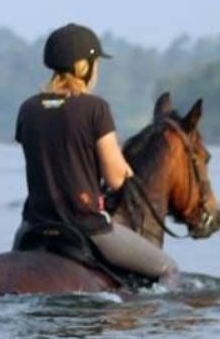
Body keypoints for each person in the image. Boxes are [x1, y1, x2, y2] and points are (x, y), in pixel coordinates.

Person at [15, 23, 180, 288]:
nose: (96, 71)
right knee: (169, 270)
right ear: (83, 67)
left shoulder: (28, 108)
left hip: (33, 226)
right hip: (85, 227)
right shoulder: (95, 109)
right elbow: (115, 178)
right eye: (95, 63)